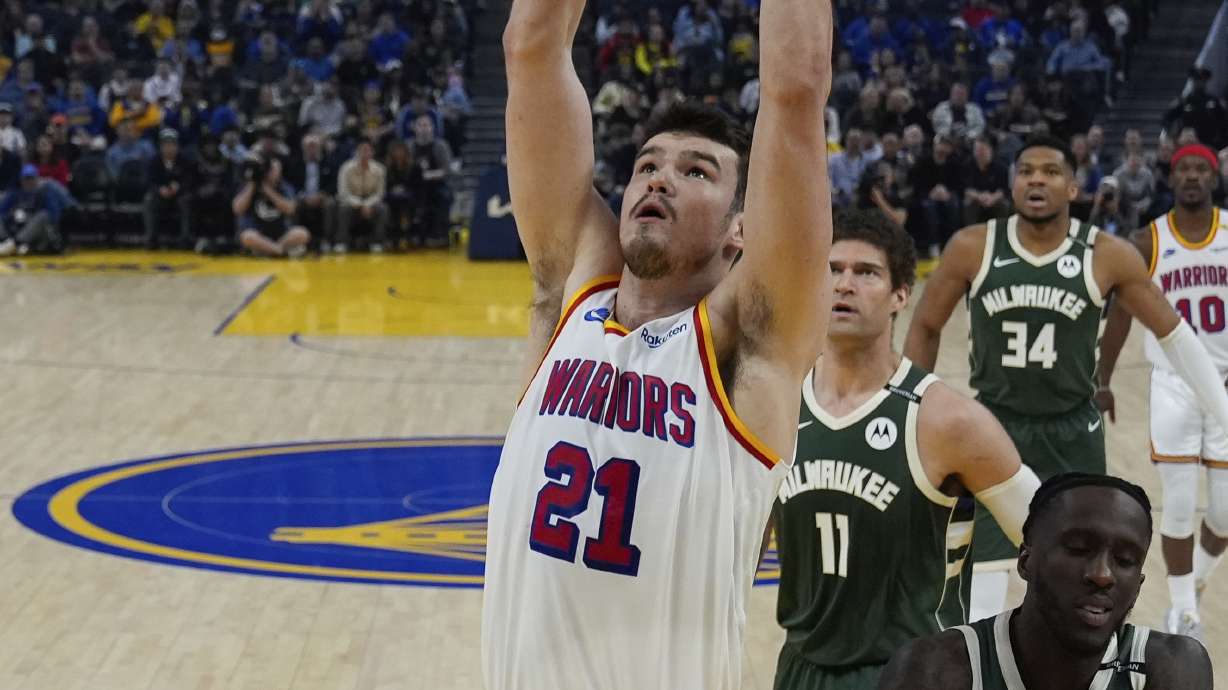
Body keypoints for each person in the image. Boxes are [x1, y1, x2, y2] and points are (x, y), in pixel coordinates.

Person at [483, 0, 833, 684]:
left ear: (742, 229)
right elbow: (530, 46)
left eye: (696, 171)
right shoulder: (569, 292)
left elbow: (795, 91)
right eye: (647, 165)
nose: (660, 178)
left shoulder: (748, 342)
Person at [903, 135, 1228, 620]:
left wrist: (1222, 411)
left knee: (1081, 575)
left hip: (1074, 432)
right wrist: (910, 414)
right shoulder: (974, 247)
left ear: (1073, 188)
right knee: (984, 582)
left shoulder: (1107, 254)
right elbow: (926, 326)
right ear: (1013, 184)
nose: (1037, 179)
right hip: (993, 428)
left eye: (1051, 172)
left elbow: (1175, 336)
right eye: (1026, 171)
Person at [771, 209, 1037, 690]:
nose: (844, 284)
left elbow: (1053, 539)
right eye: (832, 270)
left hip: (912, 673)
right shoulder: (778, 404)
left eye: (866, 272)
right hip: (800, 669)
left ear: (900, 295)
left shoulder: (950, 421)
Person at [878, 473, 1213, 690]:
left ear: (1138, 587)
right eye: (1078, 549)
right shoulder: (933, 672)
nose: (1102, 575)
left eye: (1124, 560)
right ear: (1026, 561)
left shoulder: (1172, 671)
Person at [1097, 143, 1228, 640]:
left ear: (1213, 178)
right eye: (1183, 169)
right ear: (1170, 180)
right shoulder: (1147, 241)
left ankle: (1197, 582)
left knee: (1224, 512)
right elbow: (1121, 316)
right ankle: (1183, 611)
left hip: (1225, 385)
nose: (1192, 176)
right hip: (1174, 385)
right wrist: (1103, 379)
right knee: (1177, 501)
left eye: (1201, 169)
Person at [231, 156, 310, 258]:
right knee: (247, 236)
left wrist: (268, 190)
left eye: (274, 170)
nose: (271, 173)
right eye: (269, 170)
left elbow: (290, 209)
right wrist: (253, 184)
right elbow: (237, 209)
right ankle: (280, 251)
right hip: (258, 233)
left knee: (302, 233)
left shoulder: (284, 187)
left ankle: (267, 250)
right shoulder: (250, 186)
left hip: (282, 235)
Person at [335, 139, 389, 253]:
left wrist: (367, 204)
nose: (365, 153)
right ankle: (342, 242)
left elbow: (380, 193)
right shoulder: (346, 168)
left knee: (383, 209)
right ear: (356, 152)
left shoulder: (379, 169)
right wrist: (359, 204)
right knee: (344, 209)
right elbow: (343, 193)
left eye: (367, 150)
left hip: (370, 201)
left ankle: (377, 242)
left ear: (372, 152)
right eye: (362, 150)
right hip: (351, 200)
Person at [0, 164, 66, 256]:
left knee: (43, 215)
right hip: (16, 228)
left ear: (37, 179)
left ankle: (16, 243)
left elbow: (54, 216)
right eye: (26, 179)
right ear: (21, 180)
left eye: (31, 178)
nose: (28, 182)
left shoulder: (45, 193)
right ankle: (7, 242)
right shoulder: (15, 193)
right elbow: (2, 210)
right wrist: (11, 216)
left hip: (40, 233)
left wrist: (31, 218)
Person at [143, 128, 193, 249]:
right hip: (160, 196)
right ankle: (151, 239)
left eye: (172, 144)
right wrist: (160, 189)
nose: (169, 148)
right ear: (160, 147)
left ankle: (185, 239)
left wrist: (179, 187)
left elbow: (190, 180)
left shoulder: (185, 160)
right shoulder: (153, 161)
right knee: (149, 200)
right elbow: (149, 182)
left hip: (180, 196)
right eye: (166, 145)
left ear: (177, 146)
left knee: (187, 201)